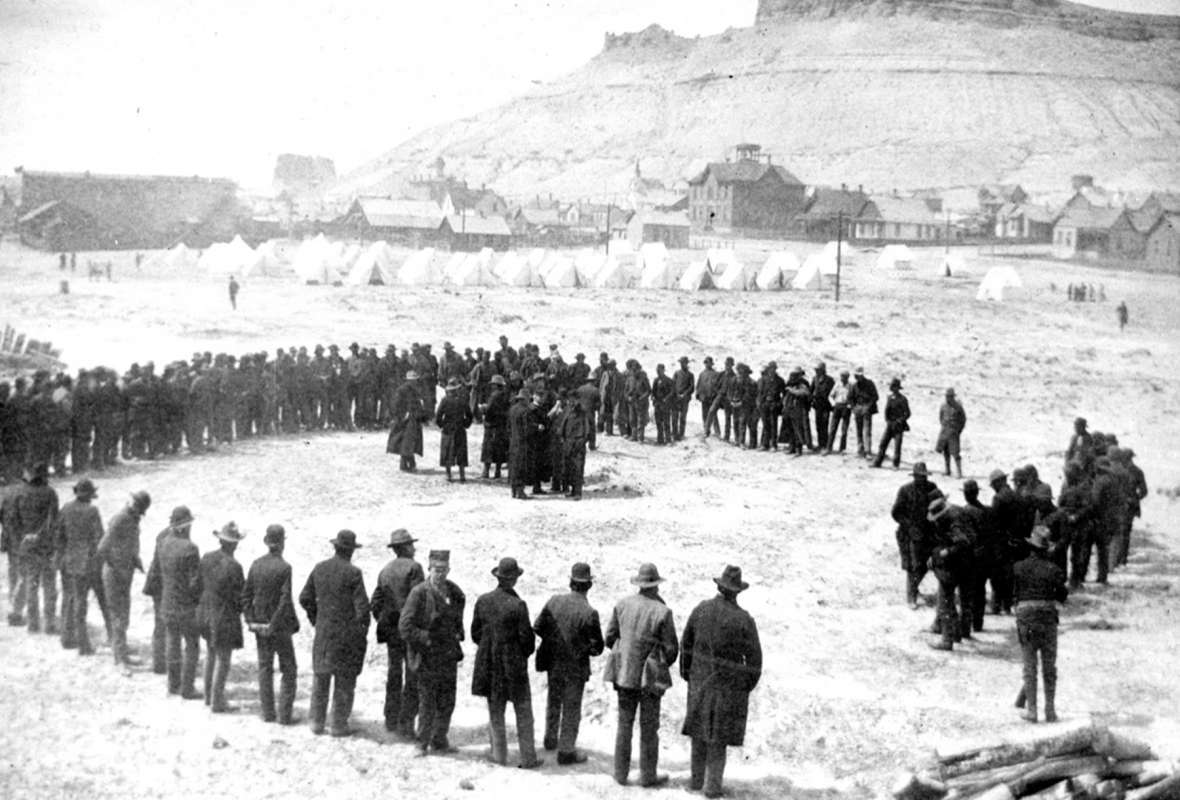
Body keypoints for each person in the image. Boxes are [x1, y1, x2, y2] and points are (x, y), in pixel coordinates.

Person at [680, 565, 762, 799]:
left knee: (698, 731)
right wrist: (745, 686)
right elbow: (755, 660)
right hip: (729, 688)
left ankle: (696, 781)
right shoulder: (744, 619)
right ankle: (712, 787)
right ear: (737, 592)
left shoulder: (701, 610)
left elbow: (686, 644)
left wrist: (688, 675)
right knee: (719, 738)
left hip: (700, 682)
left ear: (719, 586)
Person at [605, 562, 679, 788]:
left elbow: (609, 637)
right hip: (650, 679)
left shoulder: (623, 605)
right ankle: (647, 776)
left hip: (624, 675)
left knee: (624, 725)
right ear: (656, 585)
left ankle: (620, 774)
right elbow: (671, 650)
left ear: (639, 584)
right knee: (649, 728)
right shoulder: (662, 611)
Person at [471, 557, 543, 768]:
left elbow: (476, 633)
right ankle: (528, 758)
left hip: (490, 664)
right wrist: (518, 655)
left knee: (496, 711)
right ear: (514, 580)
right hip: (514, 667)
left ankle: (499, 756)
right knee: (523, 711)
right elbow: (527, 641)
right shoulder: (518, 605)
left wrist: (488, 648)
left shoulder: (483, 600)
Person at [299, 530, 370, 736]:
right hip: (346, 636)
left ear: (336, 547)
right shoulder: (353, 573)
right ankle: (338, 725)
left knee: (321, 677)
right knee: (344, 681)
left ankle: (316, 722)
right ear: (351, 551)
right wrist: (360, 631)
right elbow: (362, 609)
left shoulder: (320, 568)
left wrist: (317, 619)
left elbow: (304, 598)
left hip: (324, 633)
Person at [533, 562, 603, 765]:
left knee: (553, 701)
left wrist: (554, 642)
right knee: (572, 707)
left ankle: (550, 739)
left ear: (570, 582)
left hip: (553, 662)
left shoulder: (554, 601)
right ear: (589, 586)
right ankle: (565, 751)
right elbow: (597, 648)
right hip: (575, 667)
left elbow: (538, 627)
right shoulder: (589, 612)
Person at [399, 549, 466, 756]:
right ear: (429, 569)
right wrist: (426, 638)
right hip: (427, 657)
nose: (440, 574)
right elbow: (405, 626)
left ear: (449, 569)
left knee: (447, 700)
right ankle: (421, 743)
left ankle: (440, 739)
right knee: (427, 702)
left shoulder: (454, 592)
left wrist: (457, 634)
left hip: (447, 656)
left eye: (444, 569)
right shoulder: (419, 593)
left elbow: (458, 619)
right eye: (437, 569)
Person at [242, 524, 300, 725]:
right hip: (280, 627)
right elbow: (285, 601)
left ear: (267, 542)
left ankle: (268, 713)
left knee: (265, 668)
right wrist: (273, 624)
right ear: (282, 543)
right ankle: (284, 715)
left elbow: (246, 595)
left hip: (259, 625)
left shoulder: (256, 565)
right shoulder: (285, 568)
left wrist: (250, 620)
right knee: (289, 669)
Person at [370, 528, 424, 737]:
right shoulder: (415, 568)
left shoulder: (385, 570)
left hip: (392, 631)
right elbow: (418, 598)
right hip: (409, 631)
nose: (414, 548)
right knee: (412, 675)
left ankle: (390, 719)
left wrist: (384, 620)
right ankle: (406, 723)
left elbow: (375, 602)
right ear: (406, 547)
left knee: (394, 674)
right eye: (411, 544)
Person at [1013, 527, 1067, 723]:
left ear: (1031, 547)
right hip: (1047, 618)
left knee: (1029, 665)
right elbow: (1062, 595)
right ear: (1046, 549)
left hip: (1026, 617)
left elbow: (1015, 593)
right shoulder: (1054, 570)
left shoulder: (1018, 567)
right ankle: (1050, 711)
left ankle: (1032, 711)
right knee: (1049, 666)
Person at [151, 503, 203, 699]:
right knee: (192, 645)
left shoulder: (163, 543)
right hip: (186, 606)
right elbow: (195, 582)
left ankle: (173, 684)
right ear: (184, 526)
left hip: (167, 602)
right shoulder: (190, 548)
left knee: (172, 642)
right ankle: (187, 688)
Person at [97, 490, 151, 665]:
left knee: (124, 614)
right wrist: (116, 565)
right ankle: (120, 659)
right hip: (114, 573)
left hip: (125, 572)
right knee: (118, 616)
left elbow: (130, 545)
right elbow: (102, 547)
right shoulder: (120, 519)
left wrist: (135, 560)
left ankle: (120, 650)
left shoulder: (133, 519)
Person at [198, 522, 246, 712]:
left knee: (210, 654)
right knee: (223, 658)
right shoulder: (235, 567)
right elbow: (239, 596)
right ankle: (217, 701)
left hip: (205, 612)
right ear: (234, 544)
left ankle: (208, 696)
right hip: (224, 617)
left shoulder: (207, 558)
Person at [53, 478, 103, 654]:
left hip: (67, 561)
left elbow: (58, 535)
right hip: (84, 563)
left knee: (68, 598)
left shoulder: (66, 508)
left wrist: (61, 556)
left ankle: (66, 638)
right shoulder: (92, 511)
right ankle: (84, 645)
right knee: (81, 604)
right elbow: (99, 538)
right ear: (89, 495)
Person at [144, 506, 195, 674]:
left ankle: (159, 664)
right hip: (166, 585)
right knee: (164, 629)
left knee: (162, 627)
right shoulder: (184, 542)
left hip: (160, 584)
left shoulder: (163, 536)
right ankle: (162, 664)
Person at [10, 462, 60, 633]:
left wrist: (22, 539)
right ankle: (50, 624)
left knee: (31, 584)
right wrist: (41, 536)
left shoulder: (20, 493)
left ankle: (32, 623)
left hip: (26, 546)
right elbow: (53, 521)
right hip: (45, 546)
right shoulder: (50, 493)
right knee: (49, 585)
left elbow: (13, 521)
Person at [926, 496, 976, 651]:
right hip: (968, 564)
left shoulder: (953, 524)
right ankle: (958, 632)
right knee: (964, 598)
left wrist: (946, 552)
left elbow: (964, 542)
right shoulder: (956, 512)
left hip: (954, 566)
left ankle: (947, 640)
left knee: (945, 601)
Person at [891, 462, 941, 608]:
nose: (922, 479)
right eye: (919, 476)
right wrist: (909, 525)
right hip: (908, 534)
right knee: (912, 566)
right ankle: (911, 597)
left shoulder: (932, 488)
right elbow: (895, 513)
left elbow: (940, 504)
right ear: (914, 476)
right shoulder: (905, 490)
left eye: (924, 476)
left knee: (925, 565)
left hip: (927, 533)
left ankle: (914, 588)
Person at [387, 370, 427, 472]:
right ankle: (406, 464)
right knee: (406, 442)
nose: (415, 382)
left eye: (415, 380)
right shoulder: (402, 390)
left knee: (410, 442)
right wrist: (402, 416)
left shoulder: (415, 390)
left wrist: (421, 416)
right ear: (408, 381)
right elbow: (395, 405)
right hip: (406, 421)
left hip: (414, 419)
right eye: (413, 380)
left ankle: (408, 464)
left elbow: (418, 404)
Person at [435, 378, 474, 483]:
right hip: (460, 428)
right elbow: (470, 415)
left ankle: (449, 474)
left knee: (448, 451)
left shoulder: (445, 400)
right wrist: (465, 424)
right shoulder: (463, 400)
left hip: (448, 430)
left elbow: (438, 416)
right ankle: (462, 475)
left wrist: (443, 425)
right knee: (461, 452)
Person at [873, 378, 910, 469]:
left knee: (897, 446)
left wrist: (900, 421)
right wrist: (888, 420)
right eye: (892, 387)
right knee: (883, 443)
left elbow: (908, 413)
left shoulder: (903, 399)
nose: (893, 388)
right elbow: (886, 411)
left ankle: (895, 464)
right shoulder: (890, 398)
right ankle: (877, 462)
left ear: (897, 388)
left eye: (894, 387)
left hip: (898, 426)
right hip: (890, 424)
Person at [480, 374, 511, 480]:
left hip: (491, 425)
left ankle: (486, 472)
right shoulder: (505, 395)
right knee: (499, 449)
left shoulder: (494, 396)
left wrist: (483, 408)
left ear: (495, 385)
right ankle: (497, 471)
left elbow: (489, 410)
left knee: (488, 449)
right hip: (501, 426)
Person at [936, 388, 967, 478]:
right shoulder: (943, 406)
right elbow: (941, 417)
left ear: (953, 397)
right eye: (946, 396)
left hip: (953, 432)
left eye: (949, 396)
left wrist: (958, 430)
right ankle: (947, 470)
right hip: (944, 431)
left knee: (955, 453)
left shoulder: (958, 407)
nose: (947, 398)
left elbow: (963, 420)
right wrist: (944, 426)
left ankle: (959, 472)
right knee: (945, 451)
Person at [849, 367, 879, 459]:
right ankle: (860, 450)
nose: (857, 377)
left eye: (858, 375)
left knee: (867, 431)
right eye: (856, 376)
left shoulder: (870, 384)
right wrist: (854, 408)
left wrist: (868, 407)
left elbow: (875, 397)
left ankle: (868, 451)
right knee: (859, 430)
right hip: (858, 408)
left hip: (867, 409)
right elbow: (850, 397)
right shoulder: (854, 385)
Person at [826, 370, 852, 454]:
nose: (842, 378)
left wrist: (850, 405)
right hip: (837, 406)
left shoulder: (851, 386)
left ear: (847, 378)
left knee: (844, 429)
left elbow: (854, 397)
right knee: (833, 428)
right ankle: (829, 448)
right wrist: (833, 404)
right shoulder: (837, 385)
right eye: (841, 377)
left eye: (844, 377)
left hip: (846, 407)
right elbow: (830, 395)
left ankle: (842, 449)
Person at [695, 357, 721, 438]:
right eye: (706, 362)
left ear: (711, 363)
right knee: (704, 415)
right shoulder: (702, 374)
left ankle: (717, 432)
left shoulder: (716, 374)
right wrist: (698, 394)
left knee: (713, 415)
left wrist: (715, 395)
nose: (707, 364)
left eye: (708, 362)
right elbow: (698, 385)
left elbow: (718, 386)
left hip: (712, 397)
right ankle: (706, 431)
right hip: (704, 397)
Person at [672, 357, 694, 442]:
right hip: (676, 398)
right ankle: (674, 434)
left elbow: (692, 387)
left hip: (685, 399)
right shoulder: (676, 373)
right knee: (675, 416)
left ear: (686, 363)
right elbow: (673, 384)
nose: (682, 364)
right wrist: (676, 394)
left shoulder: (690, 375)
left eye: (683, 363)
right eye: (681, 363)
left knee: (683, 417)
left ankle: (681, 434)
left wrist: (685, 394)